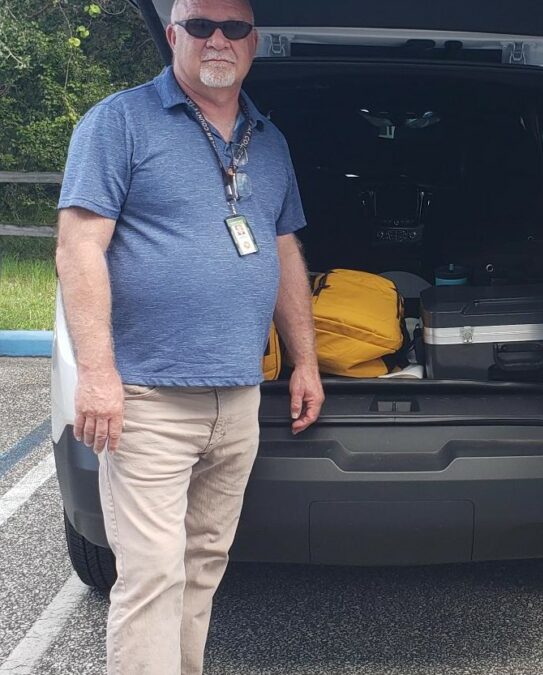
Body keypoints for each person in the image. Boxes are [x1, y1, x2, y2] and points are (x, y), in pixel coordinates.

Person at [54, 0, 324, 672]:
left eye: (233, 28)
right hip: (145, 396)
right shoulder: (119, 123)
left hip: (237, 396)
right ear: (173, 34)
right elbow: (79, 246)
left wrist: (305, 362)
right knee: (152, 577)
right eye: (200, 25)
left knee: (202, 567)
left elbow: (285, 251)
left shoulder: (269, 138)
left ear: (253, 42)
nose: (217, 40)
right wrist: (96, 374)